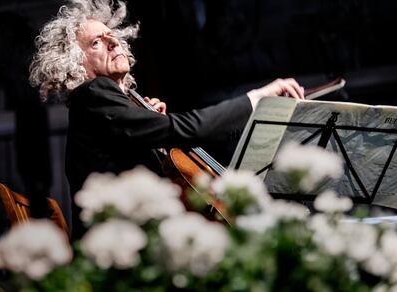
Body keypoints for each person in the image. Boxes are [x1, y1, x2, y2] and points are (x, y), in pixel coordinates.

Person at [29, 0, 304, 238]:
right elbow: (184, 129)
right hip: (122, 249)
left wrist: (153, 136)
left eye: (111, 35)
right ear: (76, 65)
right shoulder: (92, 92)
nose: (113, 41)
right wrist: (256, 99)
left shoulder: (116, 106)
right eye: (96, 43)